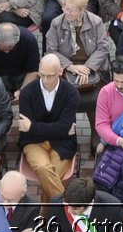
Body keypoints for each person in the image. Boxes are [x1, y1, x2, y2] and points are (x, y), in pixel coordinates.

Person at [17, 55, 81, 204]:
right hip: (33, 142)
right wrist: (60, 129)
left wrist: (33, 127)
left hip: (62, 144)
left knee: (50, 179)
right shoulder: (26, 93)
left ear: (60, 71)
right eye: (42, 75)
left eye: (50, 76)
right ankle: (68, 211)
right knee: (45, 170)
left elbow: (61, 127)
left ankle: (45, 219)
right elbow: (62, 127)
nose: (45, 80)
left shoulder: (71, 93)